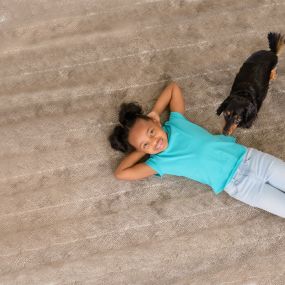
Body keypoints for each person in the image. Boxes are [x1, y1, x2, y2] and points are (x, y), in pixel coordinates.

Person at [109, 82, 285, 218]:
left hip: (252, 160)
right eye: (146, 144)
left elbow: (173, 89)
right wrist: (143, 150)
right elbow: (121, 173)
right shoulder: (158, 163)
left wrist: (155, 112)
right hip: (241, 187)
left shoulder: (176, 123)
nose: (154, 142)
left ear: (155, 122)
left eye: (152, 132)